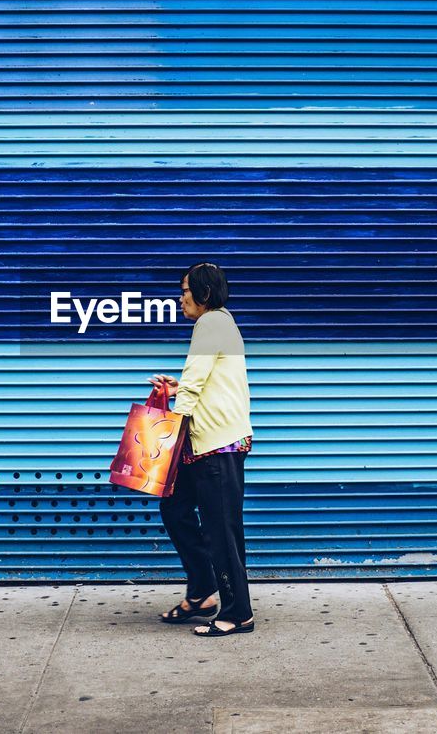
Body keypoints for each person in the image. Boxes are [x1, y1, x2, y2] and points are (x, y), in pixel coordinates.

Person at [148, 261, 255, 637]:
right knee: (174, 508)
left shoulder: (210, 323)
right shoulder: (222, 322)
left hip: (216, 445)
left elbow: (196, 385)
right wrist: (179, 388)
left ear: (204, 294)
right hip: (207, 443)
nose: (181, 299)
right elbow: (211, 380)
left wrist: (171, 425)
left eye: (185, 291)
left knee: (221, 529)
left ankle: (238, 613)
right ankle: (203, 591)